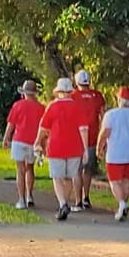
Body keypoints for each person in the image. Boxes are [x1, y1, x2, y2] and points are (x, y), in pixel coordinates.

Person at [33, 77, 90, 221]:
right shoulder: (77, 107)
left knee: (57, 177)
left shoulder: (52, 106)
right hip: (74, 148)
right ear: (71, 91)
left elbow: (43, 127)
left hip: (56, 147)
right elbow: (83, 129)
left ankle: (62, 203)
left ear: (58, 91)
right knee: (69, 177)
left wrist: (37, 141)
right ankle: (65, 202)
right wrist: (85, 149)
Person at [97, 86, 129, 221]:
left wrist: (99, 148)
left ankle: (122, 204)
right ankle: (123, 207)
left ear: (119, 99)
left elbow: (104, 134)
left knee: (114, 181)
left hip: (115, 154)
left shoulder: (111, 115)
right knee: (127, 181)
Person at [2, 80, 46, 209]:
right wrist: (43, 144)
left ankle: (21, 199)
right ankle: (29, 196)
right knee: (30, 168)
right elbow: (44, 128)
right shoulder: (41, 108)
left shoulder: (18, 105)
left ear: (24, 92)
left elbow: (11, 123)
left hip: (19, 140)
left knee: (20, 170)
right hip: (33, 141)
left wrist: (6, 138)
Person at [70, 69, 106, 211]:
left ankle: (78, 200)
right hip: (92, 137)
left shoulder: (72, 96)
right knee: (88, 169)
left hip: (76, 138)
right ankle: (86, 197)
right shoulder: (97, 96)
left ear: (76, 82)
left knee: (76, 170)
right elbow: (103, 116)